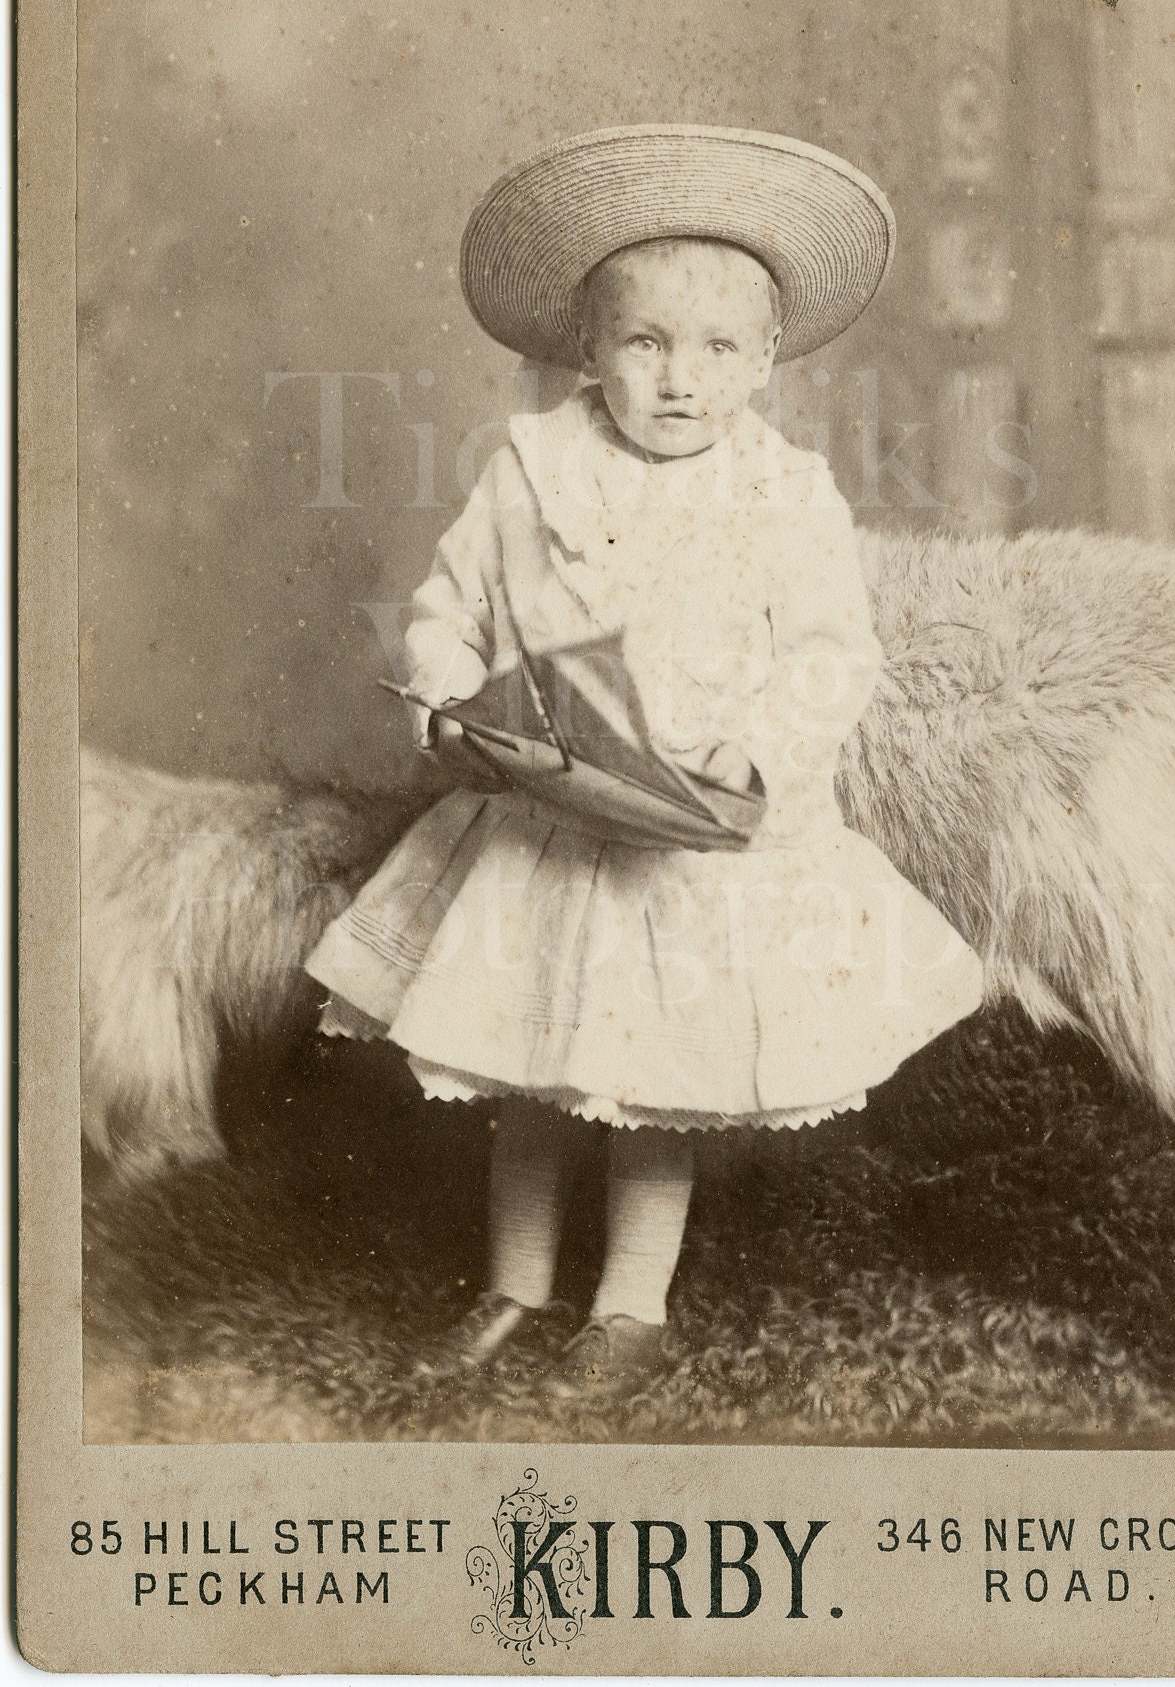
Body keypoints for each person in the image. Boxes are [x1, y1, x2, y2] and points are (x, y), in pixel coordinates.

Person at [305, 124, 984, 1399]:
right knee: (527, 1070)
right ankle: (512, 1289)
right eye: (645, 343)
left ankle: (629, 1307)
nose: (679, 380)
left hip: (693, 837)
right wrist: (454, 694)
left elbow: (836, 654)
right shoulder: (532, 468)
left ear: (767, 361)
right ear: (586, 350)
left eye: (718, 349)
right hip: (553, 818)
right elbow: (447, 609)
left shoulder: (787, 493)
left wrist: (754, 747)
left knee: (650, 1084)